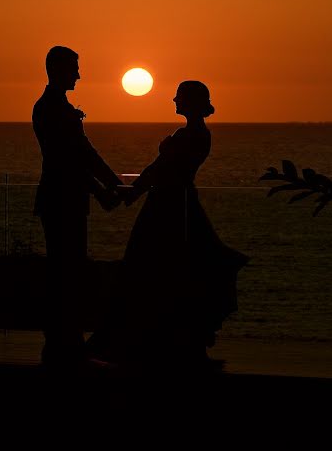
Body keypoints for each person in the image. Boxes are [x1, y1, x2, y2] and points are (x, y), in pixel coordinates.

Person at [87, 81, 249, 371]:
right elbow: (161, 167)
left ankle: (143, 338)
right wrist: (136, 190)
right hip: (175, 202)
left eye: (180, 97)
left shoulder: (191, 135)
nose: (174, 100)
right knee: (166, 267)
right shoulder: (198, 135)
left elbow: (161, 168)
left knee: (149, 267)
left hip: (169, 205)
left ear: (190, 102)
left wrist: (132, 192)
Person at [32, 45, 123, 369]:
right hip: (61, 199)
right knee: (64, 271)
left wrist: (111, 182)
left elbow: (82, 153)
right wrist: (103, 188)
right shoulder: (50, 108)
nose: (79, 75)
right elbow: (68, 159)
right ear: (57, 70)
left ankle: (66, 341)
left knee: (69, 269)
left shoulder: (54, 107)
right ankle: (64, 343)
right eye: (74, 69)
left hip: (67, 199)